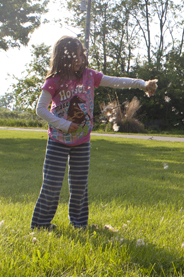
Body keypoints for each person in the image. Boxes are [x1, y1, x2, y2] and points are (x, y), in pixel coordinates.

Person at [31, 36, 157, 229]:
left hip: (82, 141)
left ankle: (79, 224)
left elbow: (116, 81)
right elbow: (40, 109)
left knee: (79, 186)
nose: (81, 59)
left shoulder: (89, 76)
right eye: (77, 55)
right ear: (65, 57)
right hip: (57, 139)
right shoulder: (54, 81)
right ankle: (40, 224)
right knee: (52, 185)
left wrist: (142, 84)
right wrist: (63, 124)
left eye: (82, 55)